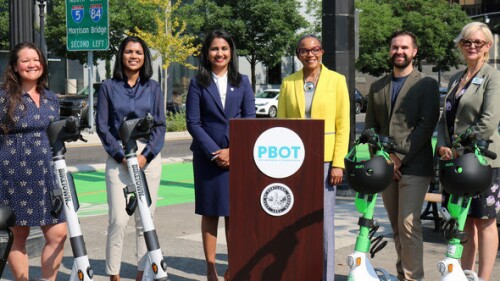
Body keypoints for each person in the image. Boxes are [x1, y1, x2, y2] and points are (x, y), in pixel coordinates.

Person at [364, 31, 440, 281]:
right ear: (390, 50)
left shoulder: (426, 84)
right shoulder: (377, 86)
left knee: (409, 225)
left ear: (414, 52)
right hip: (386, 167)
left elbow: (426, 125)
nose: (400, 51)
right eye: (395, 47)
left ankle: (413, 278)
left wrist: (399, 157)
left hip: (415, 166)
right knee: (396, 227)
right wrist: (384, 159)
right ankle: (401, 275)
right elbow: (371, 128)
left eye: (405, 48)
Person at [277, 34, 350, 281]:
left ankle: (326, 276)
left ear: (322, 52)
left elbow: (343, 125)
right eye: (304, 50)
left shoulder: (337, 81)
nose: (310, 54)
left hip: (326, 161)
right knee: (293, 221)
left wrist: (338, 163)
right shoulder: (288, 83)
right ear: (298, 55)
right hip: (295, 161)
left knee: (323, 223)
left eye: (315, 49)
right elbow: (282, 125)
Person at [185, 30, 255, 281]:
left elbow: (249, 118)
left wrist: (234, 151)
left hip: (237, 159)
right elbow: (193, 123)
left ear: (231, 52)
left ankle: (233, 266)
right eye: (214, 49)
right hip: (208, 159)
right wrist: (216, 153)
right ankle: (211, 268)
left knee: (234, 213)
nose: (220, 53)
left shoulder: (243, 81)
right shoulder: (197, 83)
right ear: (206, 53)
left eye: (224, 48)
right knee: (210, 212)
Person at [96, 36, 166, 281]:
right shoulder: (108, 87)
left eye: (138, 52)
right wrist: (121, 155)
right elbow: (102, 127)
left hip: (147, 158)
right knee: (118, 219)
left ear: (144, 56)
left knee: (144, 219)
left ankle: (141, 274)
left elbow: (160, 125)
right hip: (119, 159)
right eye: (128, 52)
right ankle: (113, 274)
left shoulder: (153, 87)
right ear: (121, 56)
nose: (133, 56)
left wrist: (145, 157)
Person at [436, 22, 500, 281]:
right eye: (467, 41)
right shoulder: (455, 77)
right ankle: (463, 274)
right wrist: (442, 145)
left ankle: (483, 278)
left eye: (478, 42)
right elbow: (445, 120)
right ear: (460, 45)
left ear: (488, 46)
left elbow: (489, 120)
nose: (472, 46)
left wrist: (457, 147)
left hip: (483, 160)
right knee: (463, 220)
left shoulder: (493, 76)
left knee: (484, 220)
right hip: (455, 160)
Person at [0, 42, 67, 281]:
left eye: (36, 59)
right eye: (25, 60)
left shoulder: (51, 98)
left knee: (58, 232)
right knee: (19, 233)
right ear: (16, 67)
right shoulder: (4, 98)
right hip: (13, 172)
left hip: (46, 173)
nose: (32, 64)